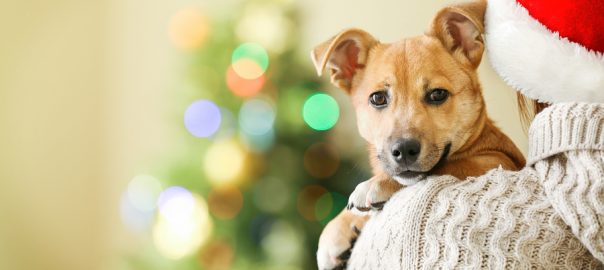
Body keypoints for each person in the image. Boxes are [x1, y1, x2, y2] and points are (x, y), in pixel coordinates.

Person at [347, 0, 604, 268]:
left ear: (464, 44)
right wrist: (350, 219)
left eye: (436, 95)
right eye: (379, 99)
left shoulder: (482, 191)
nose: (405, 135)